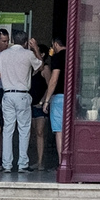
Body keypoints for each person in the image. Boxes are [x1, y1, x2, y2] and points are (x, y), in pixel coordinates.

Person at [0, 29, 41, 173]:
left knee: (7, 130)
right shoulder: (28, 54)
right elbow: (40, 65)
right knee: (23, 130)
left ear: (13, 40)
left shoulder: (3, 54)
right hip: (22, 94)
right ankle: (22, 164)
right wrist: (36, 48)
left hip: (7, 94)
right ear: (25, 42)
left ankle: (7, 164)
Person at [28, 36, 50, 172]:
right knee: (32, 134)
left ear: (41, 55)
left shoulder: (45, 69)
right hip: (30, 104)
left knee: (40, 132)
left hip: (39, 105)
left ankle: (41, 162)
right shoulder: (32, 69)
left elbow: (49, 86)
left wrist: (43, 101)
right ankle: (34, 160)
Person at [44, 36, 67, 165]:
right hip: (72, 97)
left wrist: (47, 100)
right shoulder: (74, 55)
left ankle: (62, 163)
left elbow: (54, 80)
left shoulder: (58, 57)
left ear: (55, 44)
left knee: (59, 131)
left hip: (59, 97)